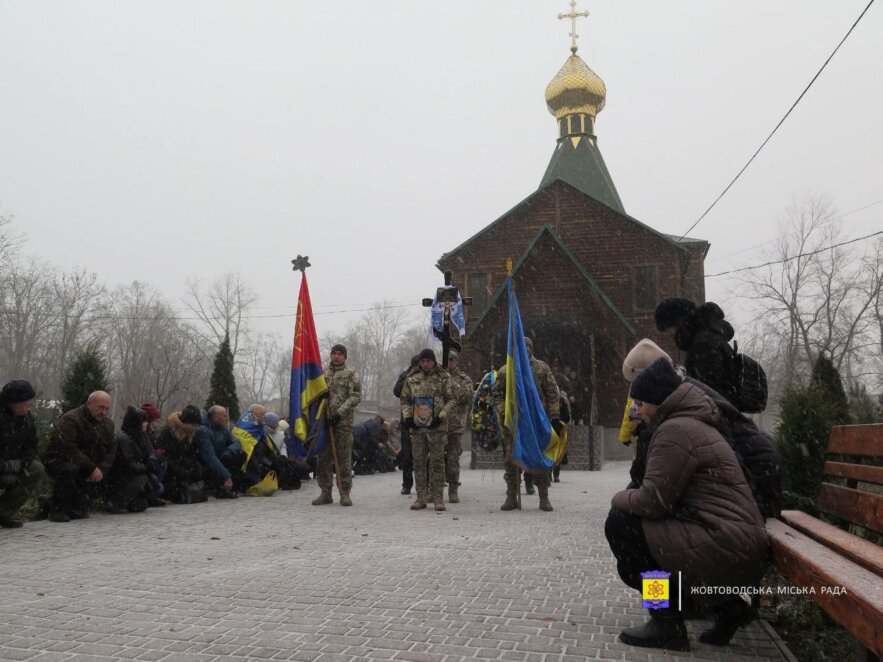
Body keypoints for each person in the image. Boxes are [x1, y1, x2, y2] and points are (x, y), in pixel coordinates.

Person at [606, 357, 769, 650]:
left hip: (725, 544)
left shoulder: (675, 431)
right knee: (648, 530)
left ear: (658, 400)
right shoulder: (691, 422)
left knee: (622, 524)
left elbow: (653, 501)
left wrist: (617, 497)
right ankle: (728, 608)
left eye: (640, 402)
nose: (636, 410)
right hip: (737, 542)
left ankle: (665, 621)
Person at [491, 337, 561, 512]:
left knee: (539, 460)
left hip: (536, 423)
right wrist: (503, 411)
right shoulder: (506, 370)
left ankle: (543, 497)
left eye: (528, 346)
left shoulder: (541, 368)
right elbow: (496, 395)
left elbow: (552, 393)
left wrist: (554, 417)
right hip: (513, 424)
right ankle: (511, 496)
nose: (525, 349)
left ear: (531, 348)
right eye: (522, 346)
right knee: (511, 460)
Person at [43, 391, 115, 523]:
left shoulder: (108, 424)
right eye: (101, 407)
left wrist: (102, 469)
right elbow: (68, 449)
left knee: (81, 510)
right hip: (60, 460)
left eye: (107, 409)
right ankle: (57, 509)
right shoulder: (71, 419)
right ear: (89, 404)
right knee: (70, 469)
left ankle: (52, 502)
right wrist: (92, 468)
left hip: (87, 464)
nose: (104, 412)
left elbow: (111, 451)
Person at [655, 298, 739, 408]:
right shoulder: (707, 338)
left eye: (668, 328)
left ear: (678, 322)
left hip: (717, 415)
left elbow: (708, 390)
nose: (669, 334)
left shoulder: (704, 343)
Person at [400, 348, 455, 512]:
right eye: (422, 361)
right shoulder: (412, 378)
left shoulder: (443, 377)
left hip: (436, 428)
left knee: (437, 463)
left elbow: (452, 400)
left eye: (428, 361)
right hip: (417, 429)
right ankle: (420, 497)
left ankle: (438, 498)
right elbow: (404, 399)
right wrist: (408, 417)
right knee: (418, 463)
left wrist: (442, 416)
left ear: (433, 361)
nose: (425, 364)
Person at [312, 344, 361, 507]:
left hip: (343, 424)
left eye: (340, 354)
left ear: (344, 357)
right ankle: (325, 492)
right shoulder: (324, 374)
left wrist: (339, 413)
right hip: (324, 423)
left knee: (344, 458)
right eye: (334, 353)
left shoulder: (351, 374)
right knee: (323, 458)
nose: (336, 356)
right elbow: (315, 394)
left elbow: (355, 396)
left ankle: (345, 492)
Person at [0, 380, 48, 528]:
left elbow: (31, 446)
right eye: (27, 401)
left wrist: (20, 465)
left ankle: (3, 512)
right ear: (14, 402)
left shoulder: (27, 419)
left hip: (13, 464)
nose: (30, 404)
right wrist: (4, 466)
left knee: (36, 469)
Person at [105, 406, 163, 513]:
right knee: (144, 479)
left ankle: (129, 501)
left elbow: (151, 452)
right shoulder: (124, 439)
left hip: (134, 474)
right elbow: (129, 465)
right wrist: (147, 467)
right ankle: (117, 503)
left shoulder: (141, 435)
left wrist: (151, 461)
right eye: (144, 421)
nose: (146, 423)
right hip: (122, 478)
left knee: (154, 488)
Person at [155, 405, 206, 504]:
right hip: (170, 473)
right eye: (193, 425)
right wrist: (181, 471)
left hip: (180, 470)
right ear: (186, 422)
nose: (195, 428)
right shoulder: (167, 433)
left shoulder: (189, 435)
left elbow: (191, 454)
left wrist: (196, 467)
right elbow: (165, 457)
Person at [195, 405, 243, 498]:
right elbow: (210, 457)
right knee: (217, 462)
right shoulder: (203, 431)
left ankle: (232, 486)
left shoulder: (223, 429)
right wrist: (226, 476)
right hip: (207, 464)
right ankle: (219, 487)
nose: (227, 418)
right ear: (215, 418)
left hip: (220, 459)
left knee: (239, 455)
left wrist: (230, 451)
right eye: (224, 416)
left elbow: (237, 443)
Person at [444, 350, 472, 503]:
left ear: (455, 361)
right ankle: (433, 489)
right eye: (446, 360)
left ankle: (453, 490)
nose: (448, 363)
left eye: (451, 360)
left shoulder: (464, 379)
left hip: (455, 425)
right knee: (435, 458)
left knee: (453, 458)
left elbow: (465, 397)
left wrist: (451, 382)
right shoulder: (438, 377)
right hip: (439, 425)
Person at [393, 355, 420, 495]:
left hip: (422, 419)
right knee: (407, 455)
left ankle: (424, 484)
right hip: (407, 420)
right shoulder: (405, 375)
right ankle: (407, 484)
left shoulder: (425, 376)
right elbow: (397, 391)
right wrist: (407, 378)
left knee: (422, 454)